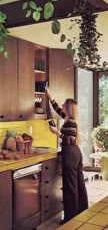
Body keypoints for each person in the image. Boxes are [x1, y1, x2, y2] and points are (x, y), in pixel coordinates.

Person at [45, 87, 88, 224]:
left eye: (64, 104)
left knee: (70, 186)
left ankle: (70, 218)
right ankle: (82, 211)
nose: (62, 105)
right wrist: (50, 96)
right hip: (76, 153)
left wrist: (56, 132)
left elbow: (69, 139)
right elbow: (57, 109)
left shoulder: (70, 122)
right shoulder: (69, 118)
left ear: (69, 108)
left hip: (70, 153)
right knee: (79, 184)